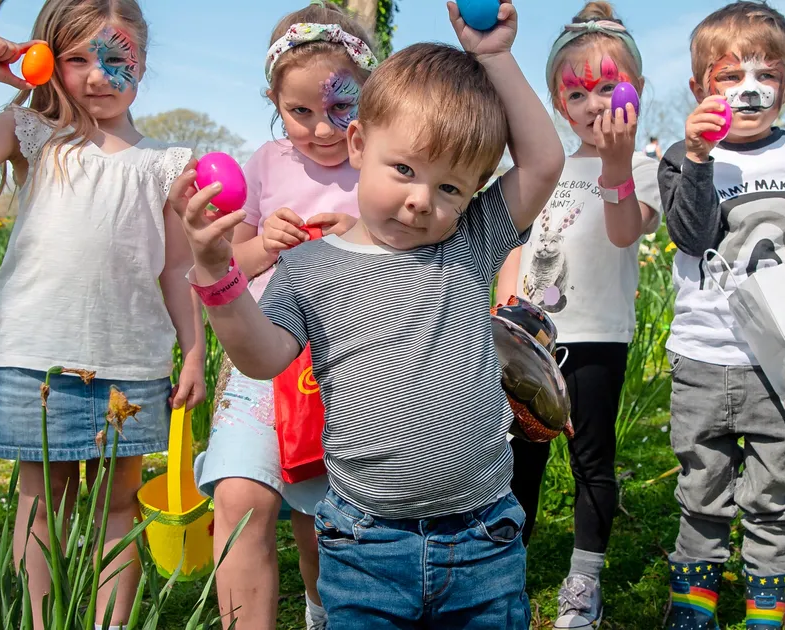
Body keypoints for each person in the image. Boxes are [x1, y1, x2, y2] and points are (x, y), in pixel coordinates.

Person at [172, 1, 564, 626]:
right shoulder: (311, 266)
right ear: (359, 145)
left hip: (482, 538)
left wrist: (495, 57)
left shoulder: (468, 241)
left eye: (449, 188)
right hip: (366, 544)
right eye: (404, 169)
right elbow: (261, 355)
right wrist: (217, 272)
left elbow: (543, 163)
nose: (418, 201)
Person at [0, 2, 206, 628]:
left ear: (142, 64)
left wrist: (195, 351)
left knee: (118, 508)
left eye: (117, 58)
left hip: (131, 359)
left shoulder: (167, 164)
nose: (99, 75)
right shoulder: (31, 133)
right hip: (39, 355)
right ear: (49, 62)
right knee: (41, 508)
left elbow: (177, 270)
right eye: (77, 59)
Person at [657, 2, 785, 628]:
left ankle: (765, 606)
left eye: (766, 76)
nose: (750, 89)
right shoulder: (683, 157)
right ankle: (694, 600)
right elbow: (690, 236)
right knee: (702, 485)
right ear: (701, 88)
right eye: (730, 76)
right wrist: (696, 157)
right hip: (704, 353)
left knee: (776, 489)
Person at [191, 3, 375, 628]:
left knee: (319, 514)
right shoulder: (266, 164)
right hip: (264, 357)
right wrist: (261, 242)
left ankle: (322, 611)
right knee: (241, 498)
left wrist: (359, 234)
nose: (322, 129)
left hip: (348, 369)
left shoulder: (384, 165)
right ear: (273, 98)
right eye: (300, 111)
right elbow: (228, 258)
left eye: (340, 108)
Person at [495, 2, 662, 627]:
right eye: (578, 91)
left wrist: (617, 167)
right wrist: (505, 318)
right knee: (519, 461)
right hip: (530, 342)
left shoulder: (646, 168)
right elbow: (517, 244)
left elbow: (625, 233)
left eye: (608, 87)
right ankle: (506, 570)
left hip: (595, 341)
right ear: (558, 102)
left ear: (637, 91)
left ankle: (583, 582)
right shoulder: (547, 169)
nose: (594, 103)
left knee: (592, 460)